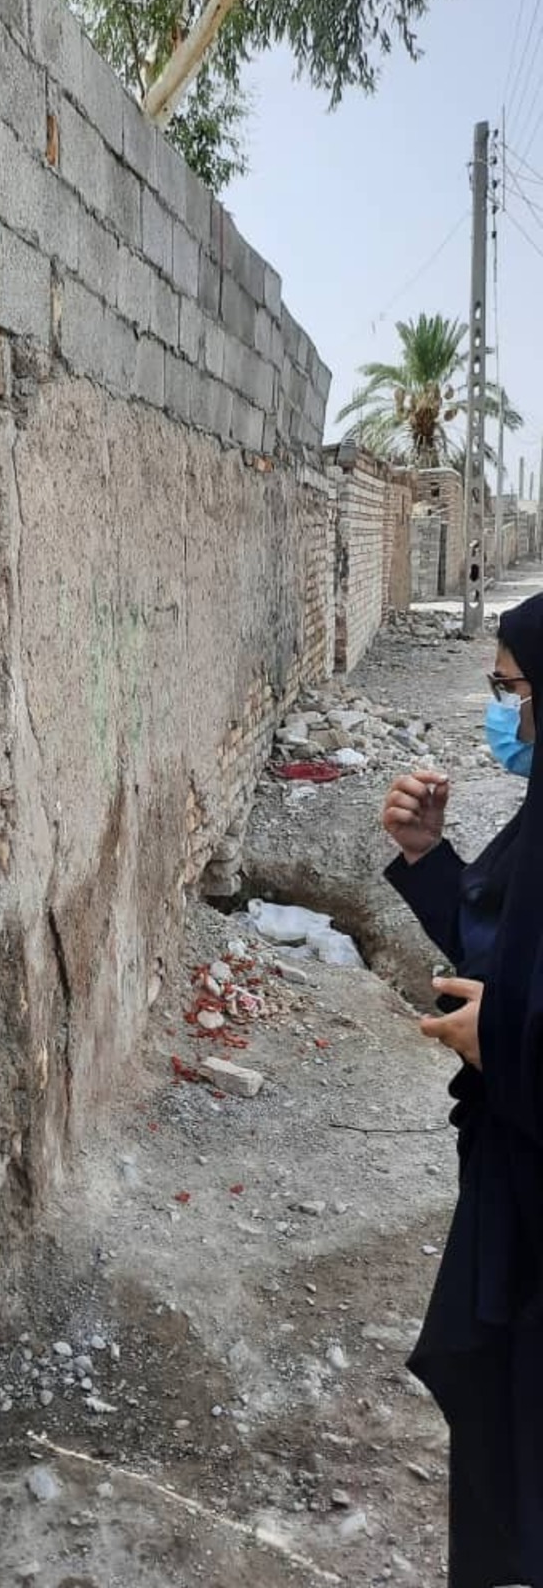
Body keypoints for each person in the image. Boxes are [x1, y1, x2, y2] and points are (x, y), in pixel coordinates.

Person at [381, 591, 543, 1586]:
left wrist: (515, 1045)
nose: (503, 715)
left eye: (512, 690)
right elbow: (503, 960)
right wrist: (428, 861)